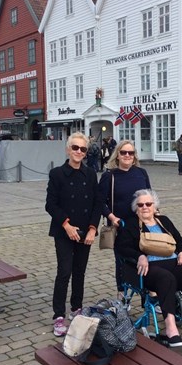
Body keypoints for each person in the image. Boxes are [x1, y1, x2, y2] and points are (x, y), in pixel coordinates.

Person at [115, 189, 182, 347]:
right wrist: (140, 256)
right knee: (166, 278)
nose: (145, 207)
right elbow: (121, 248)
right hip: (149, 267)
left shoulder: (164, 221)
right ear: (136, 208)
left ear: (154, 206)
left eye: (148, 204)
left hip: (173, 262)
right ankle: (171, 330)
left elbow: (180, 241)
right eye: (141, 205)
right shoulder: (130, 224)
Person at [45, 132, 103, 337]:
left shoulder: (90, 174)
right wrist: (66, 225)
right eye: (75, 148)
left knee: (80, 272)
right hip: (64, 231)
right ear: (68, 149)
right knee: (64, 272)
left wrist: (93, 228)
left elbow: (97, 203)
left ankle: (76, 308)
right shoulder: (57, 174)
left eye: (83, 149)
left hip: (85, 231)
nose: (79, 152)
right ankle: (58, 315)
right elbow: (50, 204)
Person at [99, 140, 151, 300]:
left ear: (134, 156)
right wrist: (112, 217)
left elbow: (150, 195)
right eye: (124, 152)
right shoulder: (110, 176)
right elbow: (99, 202)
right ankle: (122, 293)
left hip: (143, 225)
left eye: (131, 153)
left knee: (148, 257)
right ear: (117, 155)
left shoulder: (141, 173)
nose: (127, 155)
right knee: (122, 261)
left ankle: (148, 293)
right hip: (120, 226)